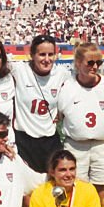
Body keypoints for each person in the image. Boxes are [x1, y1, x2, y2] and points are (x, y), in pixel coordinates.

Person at [56, 42, 104, 189]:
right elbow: (60, 116)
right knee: (75, 186)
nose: (95, 67)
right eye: (90, 63)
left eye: (98, 62)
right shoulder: (67, 87)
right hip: (75, 144)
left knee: (103, 187)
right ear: (78, 63)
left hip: (103, 145)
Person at [10, 35, 68, 173]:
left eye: (51, 54)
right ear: (32, 55)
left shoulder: (62, 74)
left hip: (50, 139)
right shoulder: (19, 70)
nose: (47, 59)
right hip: (24, 139)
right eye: (42, 54)